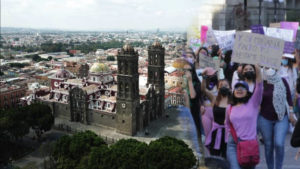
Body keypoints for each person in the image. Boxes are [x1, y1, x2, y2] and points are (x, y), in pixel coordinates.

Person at [258, 67, 297, 169]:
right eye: (265, 67)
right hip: (265, 118)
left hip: (281, 117)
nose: (268, 69)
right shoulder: (260, 83)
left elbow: (289, 98)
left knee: (279, 143)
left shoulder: (282, 80)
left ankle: (278, 167)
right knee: (268, 146)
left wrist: (291, 113)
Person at [226, 64, 263, 169]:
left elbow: (259, 85)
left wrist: (257, 68)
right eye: (237, 88)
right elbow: (227, 124)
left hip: (250, 144)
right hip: (233, 143)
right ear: (233, 92)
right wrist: (227, 138)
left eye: (243, 88)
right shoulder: (229, 107)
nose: (239, 89)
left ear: (247, 92)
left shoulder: (253, 103)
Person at [202, 72, 231, 158]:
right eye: (221, 85)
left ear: (230, 88)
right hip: (216, 132)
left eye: (226, 85)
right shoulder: (214, 99)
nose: (223, 87)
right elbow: (203, 89)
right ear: (218, 87)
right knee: (215, 157)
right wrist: (204, 77)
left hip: (228, 134)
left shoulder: (233, 101)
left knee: (227, 158)